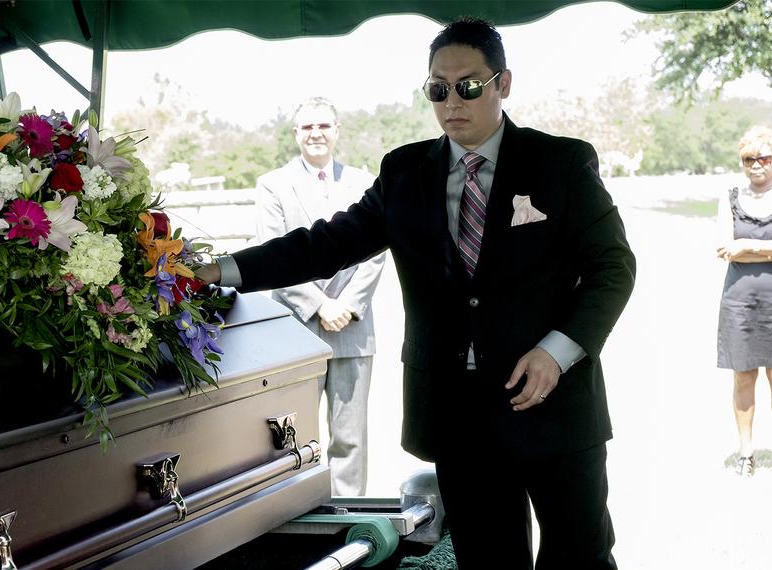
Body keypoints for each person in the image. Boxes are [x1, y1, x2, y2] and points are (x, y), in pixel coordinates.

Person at [197, 17, 635, 569]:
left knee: (581, 558)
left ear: (503, 84)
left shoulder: (561, 163)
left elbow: (613, 268)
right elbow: (325, 245)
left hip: (553, 403)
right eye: (438, 89)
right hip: (458, 416)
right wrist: (221, 271)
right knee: (487, 561)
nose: (452, 102)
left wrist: (557, 350)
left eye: (469, 86)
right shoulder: (404, 172)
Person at [254, 97, 385, 496]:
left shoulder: (364, 181)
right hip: (297, 330)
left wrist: (347, 306)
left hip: (352, 328)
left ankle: (349, 516)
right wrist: (319, 304)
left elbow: (377, 253)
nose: (316, 133)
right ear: (296, 133)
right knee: (291, 436)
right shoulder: (273, 184)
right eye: (308, 127)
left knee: (350, 439)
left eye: (324, 126)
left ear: (337, 131)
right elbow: (272, 253)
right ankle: (296, 510)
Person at [716, 125, 772, 478]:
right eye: (748, 159)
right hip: (739, 302)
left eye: (763, 157)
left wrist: (747, 246)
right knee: (743, 377)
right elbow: (725, 249)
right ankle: (746, 453)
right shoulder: (731, 197)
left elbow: (737, 248)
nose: (756, 165)